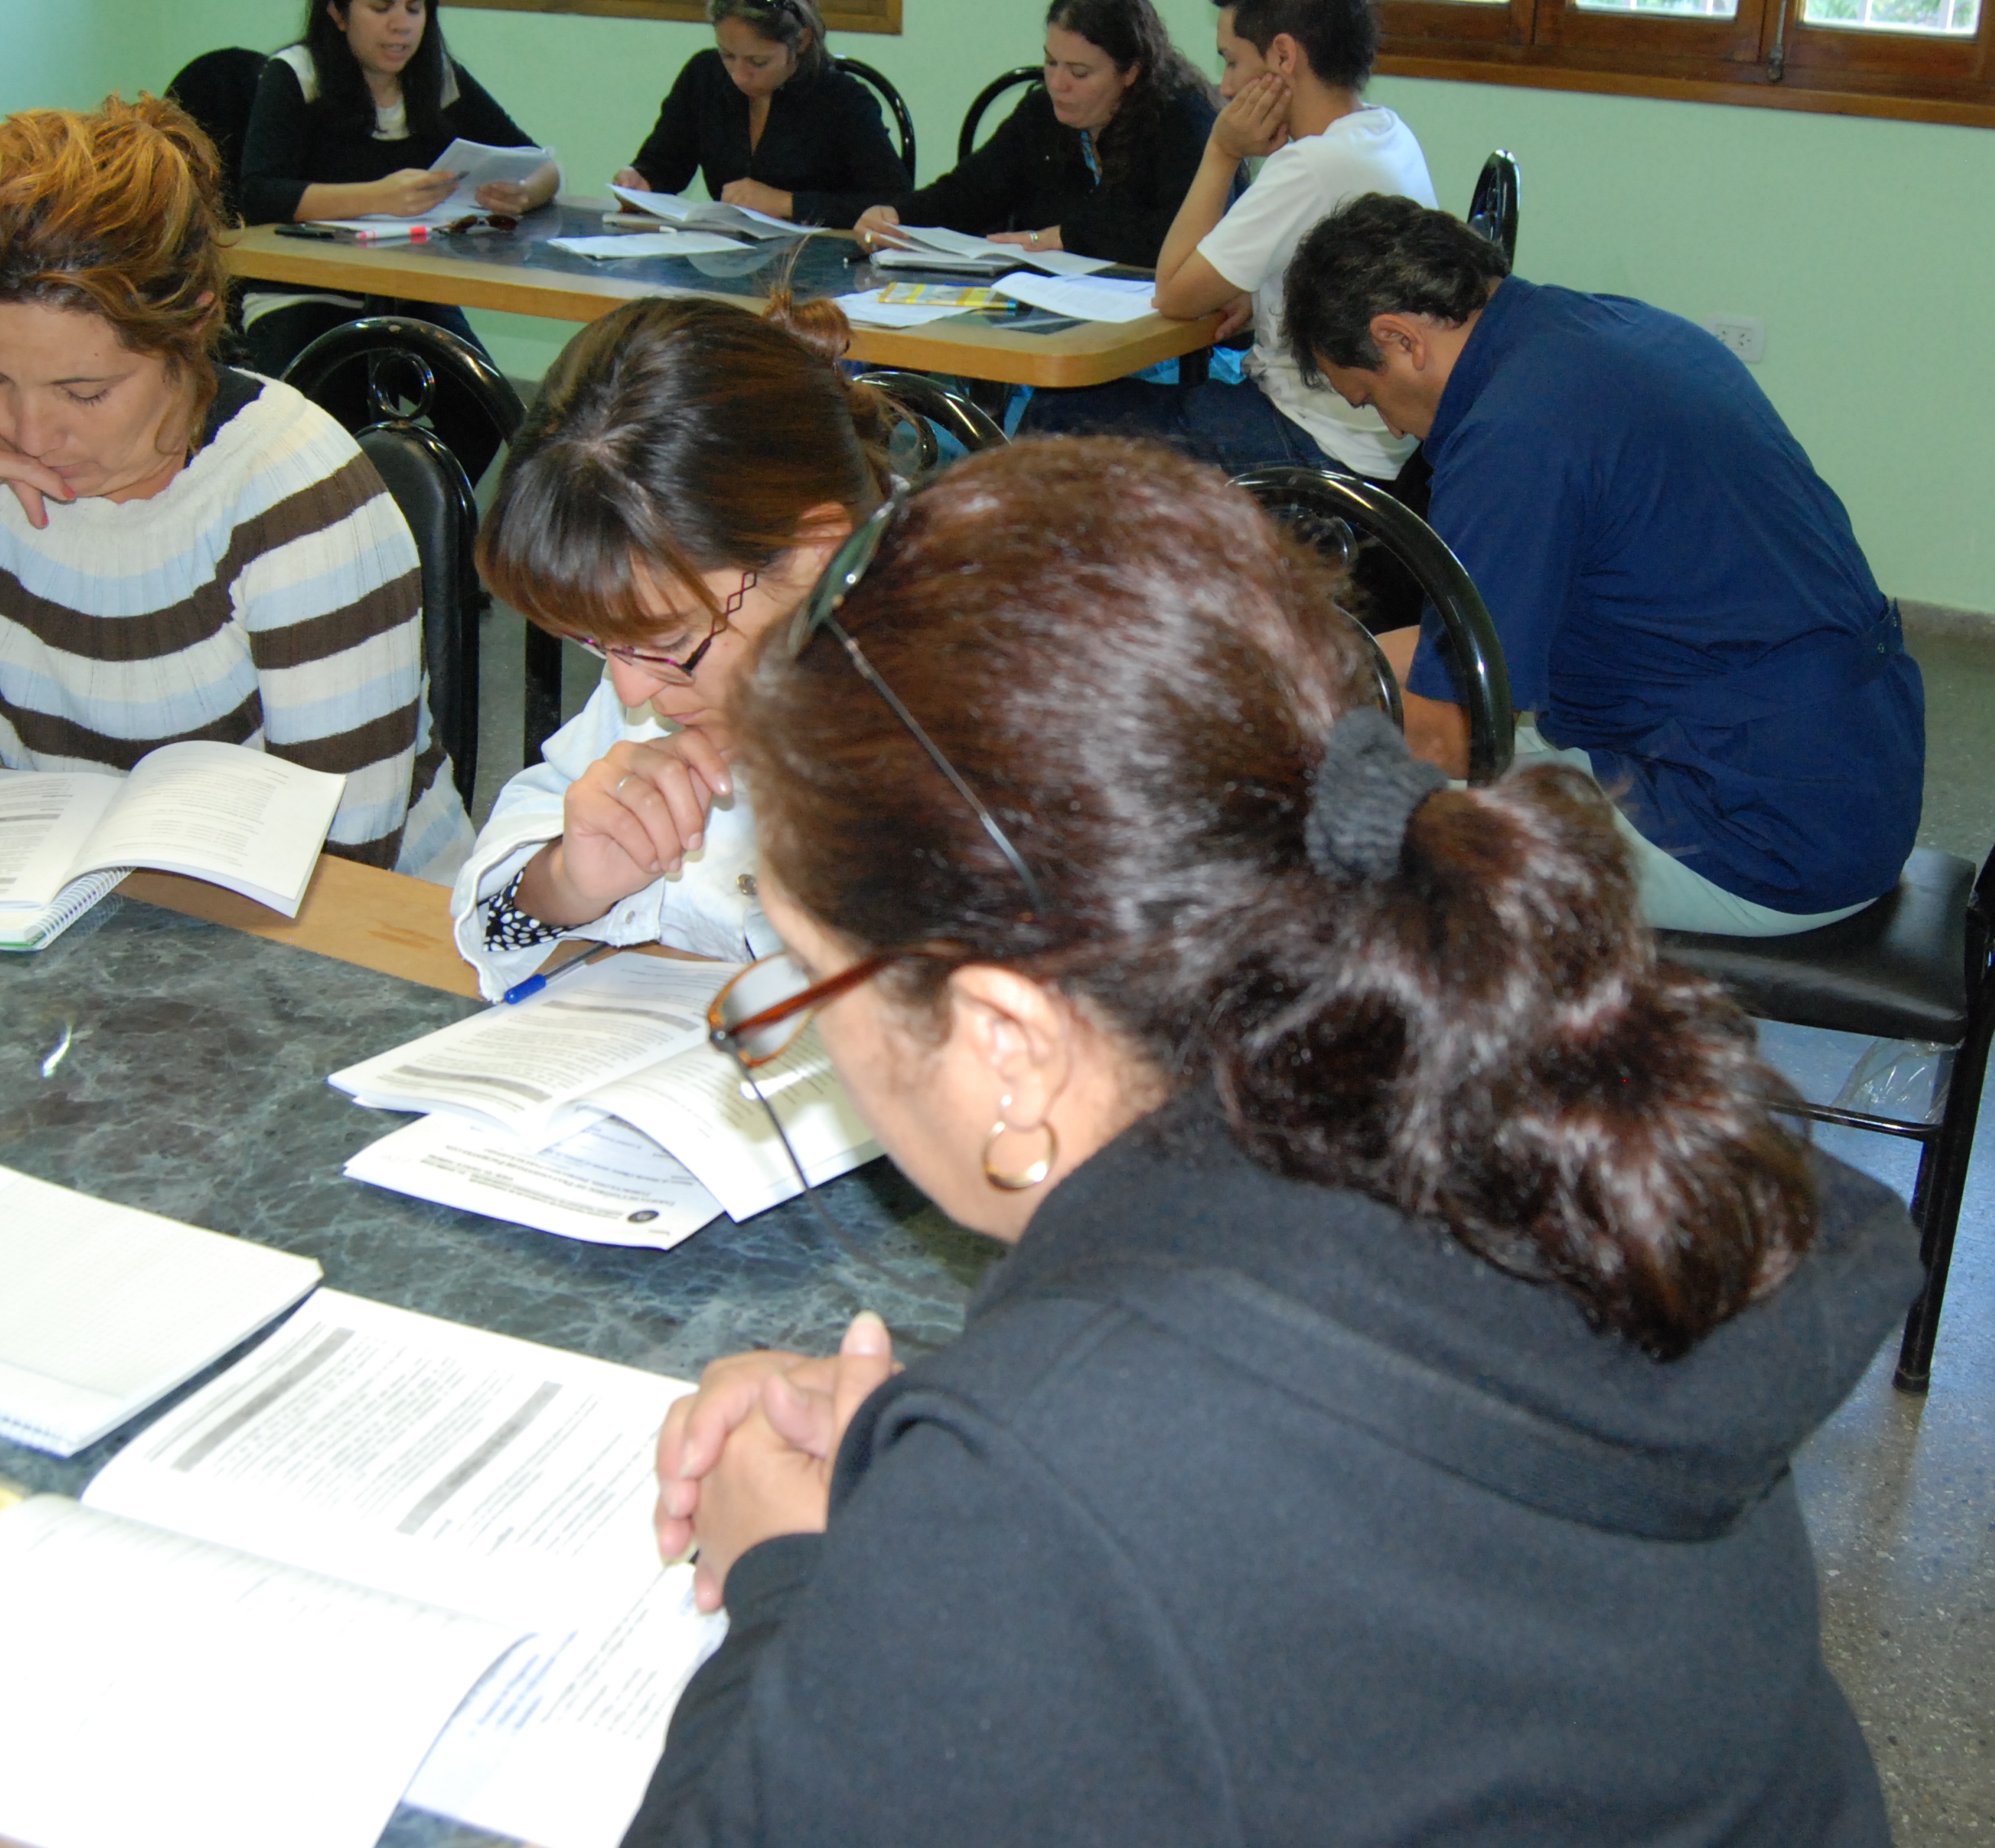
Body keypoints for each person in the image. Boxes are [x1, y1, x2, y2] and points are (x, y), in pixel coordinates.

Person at [625, 441, 1917, 1846]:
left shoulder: (1071, 1475)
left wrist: (791, 1563)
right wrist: (930, 1486)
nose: (818, 1043)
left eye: (810, 981)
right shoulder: (1475, 1108)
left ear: (1006, 1036)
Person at [0, 99, 469, 877]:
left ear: (192, 327)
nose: (30, 433)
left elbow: (343, 857)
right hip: (90, 902)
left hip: (347, 934)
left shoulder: (295, 495)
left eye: (84, 393)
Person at [1281, 195, 1926, 935]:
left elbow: (1448, 736)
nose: (1393, 427)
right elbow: (1450, 661)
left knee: (1330, 834)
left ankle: (1467, 1043)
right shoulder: (1614, 333)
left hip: (1752, 833)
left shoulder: (1514, 436)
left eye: (1369, 399)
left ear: (1399, 340)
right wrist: (1296, 664)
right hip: (1839, 773)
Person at [453, 296, 884, 997]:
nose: (632, 691)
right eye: (602, 645)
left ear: (816, 555)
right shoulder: (666, 640)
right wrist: (566, 883)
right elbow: (512, 886)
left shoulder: (1001, 714)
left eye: (671, 642)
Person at [1020, 0, 1434, 476]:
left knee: (1056, 416)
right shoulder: (1383, 131)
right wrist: (1260, 291)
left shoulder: (1309, 166)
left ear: (1284, 57)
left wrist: (1221, 152)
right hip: (1373, 445)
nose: (1227, 85)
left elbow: (1174, 294)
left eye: (1233, 61)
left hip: (1310, 443)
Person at [234, 0, 560, 371]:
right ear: (338, 13)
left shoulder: (436, 77)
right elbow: (260, 195)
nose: (401, 25)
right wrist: (379, 197)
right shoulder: (296, 76)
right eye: (381, 7)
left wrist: (526, 193)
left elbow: (539, 164)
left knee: (481, 414)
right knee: (332, 418)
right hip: (303, 289)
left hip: (407, 292)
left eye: (415, 8)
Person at [848, 0, 1213, 266]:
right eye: (1050, 62)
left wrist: (1067, 238)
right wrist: (896, 217)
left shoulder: (1183, 121)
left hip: (1167, 330)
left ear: (1131, 72)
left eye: (1079, 72)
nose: (1056, 83)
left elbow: (1184, 240)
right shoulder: (1041, 115)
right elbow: (969, 192)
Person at [614, 0, 905, 229]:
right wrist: (641, 181)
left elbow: (895, 202)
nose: (739, 75)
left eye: (758, 62)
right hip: (729, 257)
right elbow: (665, 162)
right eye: (728, 55)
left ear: (801, 41)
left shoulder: (843, 101)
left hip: (818, 263)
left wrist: (787, 204)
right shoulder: (704, 77)